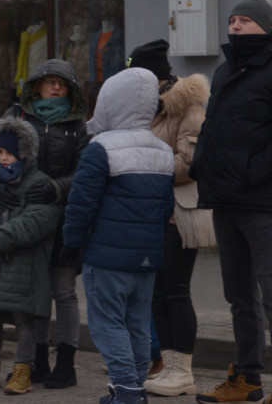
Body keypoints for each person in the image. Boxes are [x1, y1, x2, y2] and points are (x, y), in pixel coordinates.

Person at [0, 58, 90, 389]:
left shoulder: (77, 126)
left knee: (62, 291)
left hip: (58, 219)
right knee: (31, 293)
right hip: (17, 221)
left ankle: (65, 362)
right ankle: (34, 362)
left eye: (62, 82)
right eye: (50, 81)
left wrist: (56, 188)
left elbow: (84, 173)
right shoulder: (16, 116)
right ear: (36, 86)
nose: (56, 86)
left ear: (71, 89)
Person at [62, 67, 175, 404]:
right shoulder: (163, 150)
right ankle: (133, 387)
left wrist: (72, 244)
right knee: (138, 324)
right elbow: (166, 208)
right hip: (147, 256)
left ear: (111, 102)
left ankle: (126, 389)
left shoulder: (102, 148)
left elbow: (81, 204)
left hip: (107, 256)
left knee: (108, 323)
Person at [190, 0, 272, 404]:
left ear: (265, 27)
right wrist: (201, 164)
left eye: (245, 21)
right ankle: (248, 380)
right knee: (239, 298)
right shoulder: (224, 71)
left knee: (271, 294)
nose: (236, 26)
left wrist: (251, 173)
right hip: (225, 201)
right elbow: (213, 129)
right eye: (232, 20)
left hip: (262, 203)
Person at [124, 39, 214, 398]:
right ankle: (168, 365)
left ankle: (182, 370)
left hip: (179, 214)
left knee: (175, 291)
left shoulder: (187, 106)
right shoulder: (149, 107)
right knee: (158, 293)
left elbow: (189, 164)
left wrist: (140, 165)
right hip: (154, 212)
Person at [0, 116, 62, 395]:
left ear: (25, 153)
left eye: (10, 153)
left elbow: (41, 218)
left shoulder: (38, 183)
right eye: (0, 153)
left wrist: (3, 238)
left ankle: (22, 371)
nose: (4, 159)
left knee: (24, 320)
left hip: (24, 267)